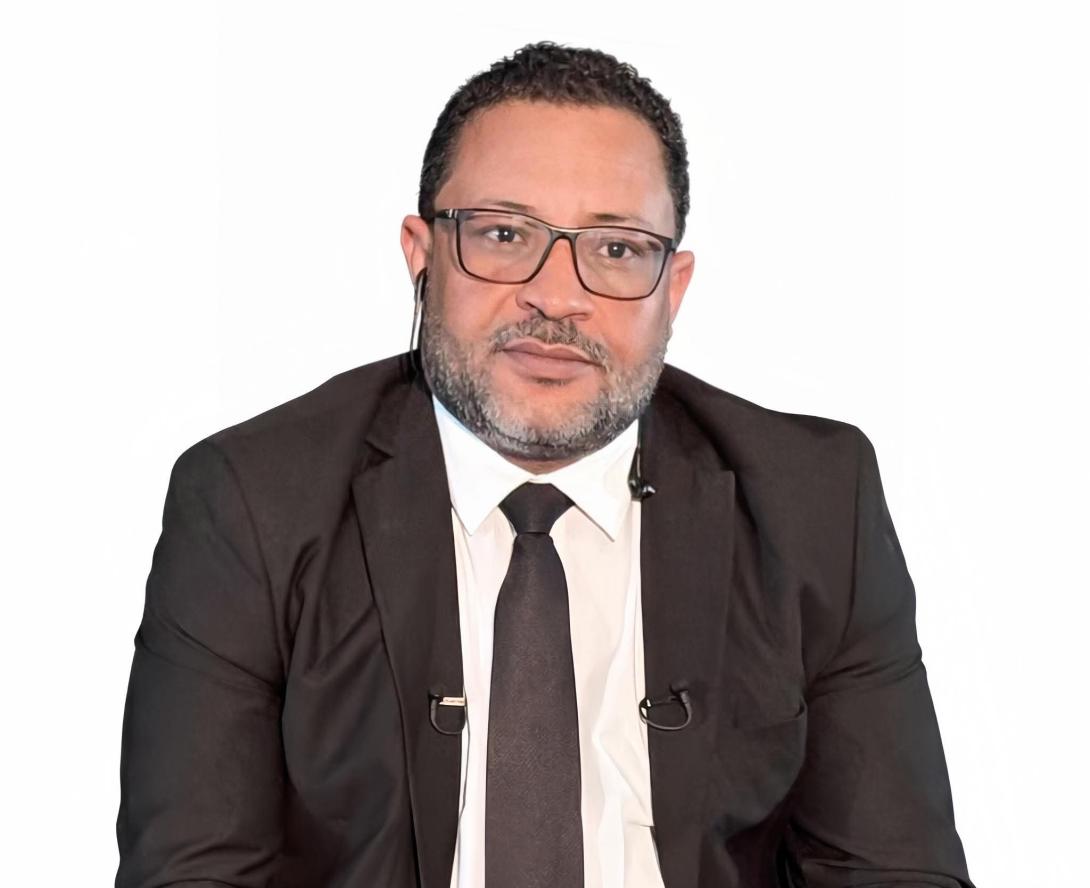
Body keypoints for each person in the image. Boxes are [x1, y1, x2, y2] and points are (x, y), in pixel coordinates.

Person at [115, 41, 974, 888]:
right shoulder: (252, 504)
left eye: (616, 249)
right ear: (422, 255)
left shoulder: (812, 502)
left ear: (672, 288)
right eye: (503, 234)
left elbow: (895, 870)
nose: (557, 297)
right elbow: (191, 872)